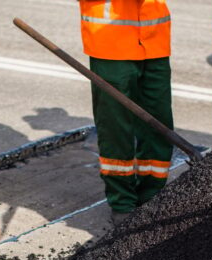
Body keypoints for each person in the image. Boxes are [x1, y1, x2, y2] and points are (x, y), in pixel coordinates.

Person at [78, 0, 174, 225]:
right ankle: (122, 201)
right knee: (115, 127)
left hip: (154, 39)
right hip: (111, 45)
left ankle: (153, 194)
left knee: (158, 122)